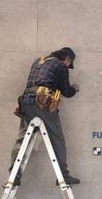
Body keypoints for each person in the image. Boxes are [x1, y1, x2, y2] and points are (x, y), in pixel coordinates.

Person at [9, 47, 81, 186]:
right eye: (69, 63)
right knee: (57, 139)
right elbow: (66, 91)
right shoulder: (60, 65)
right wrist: (75, 88)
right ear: (67, 58)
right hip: (42, 102)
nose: (68, 66)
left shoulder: (39, 61)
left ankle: (14, 175)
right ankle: (63, 175)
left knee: (22, 140)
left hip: (26, 102)